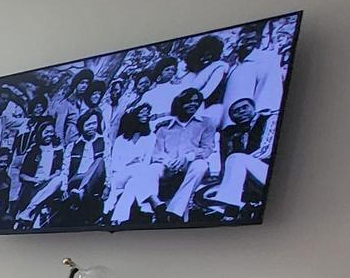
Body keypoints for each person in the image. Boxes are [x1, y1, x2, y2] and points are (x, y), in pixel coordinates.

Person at [160, 87, 223, 216]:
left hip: (190, 164)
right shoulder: (165, 126)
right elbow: (157, 152)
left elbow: (208, 148)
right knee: (152, 170)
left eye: (196, 101)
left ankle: (174, 212)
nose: (193, 104)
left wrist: (188, 156)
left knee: (201, 165)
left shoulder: (206, 123)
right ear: (180, 103)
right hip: (167, 166)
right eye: (189, 101)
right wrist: (168, 162)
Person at [213, 95, 274, 211]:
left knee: (236, 158)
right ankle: (236, 207)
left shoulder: (269, 119)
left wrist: (240, 162)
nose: (241, 111)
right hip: (249, 179)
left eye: (244, 107)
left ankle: (230, 209)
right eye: (236, 111)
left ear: (253, 108)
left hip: (268, 172)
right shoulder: (231, 132)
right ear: (232, 118)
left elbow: (267, 151)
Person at [105, 104, 162, 225]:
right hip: (119, 177)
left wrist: (134, 164)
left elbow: (147, 162)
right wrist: (130, 163)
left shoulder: (151, 137)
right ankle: (151, 202)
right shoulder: (121, 139)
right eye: (141, 112)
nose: (145, 115)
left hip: (139, 175)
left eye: (147, 113)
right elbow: (115, 165)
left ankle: (118, 218)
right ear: (133, 116)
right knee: (138, 169)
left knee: (133, 183)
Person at [225, 24, 285, 115]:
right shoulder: (231, 64)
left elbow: (269, 94)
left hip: (254, 120)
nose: (248, 42)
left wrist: (259, 115)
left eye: (252, 39)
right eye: (244, 40)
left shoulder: (267, 58)